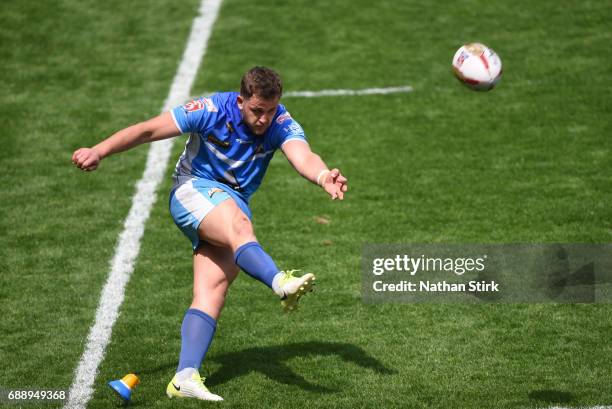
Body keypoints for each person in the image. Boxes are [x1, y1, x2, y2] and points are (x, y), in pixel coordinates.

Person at [72, 66, 348, 401]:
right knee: (240, 227)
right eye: (256, 111)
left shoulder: (279, 122)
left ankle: (185, 377)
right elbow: (148, 130)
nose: (263, 120)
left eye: (270, 111)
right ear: (240, 100)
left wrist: (322, 177)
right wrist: (100, 150)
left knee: (212, 291)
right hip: (193, 191)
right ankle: (280, 282)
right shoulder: (211, 110)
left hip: (232, 202)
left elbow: (301, 154)